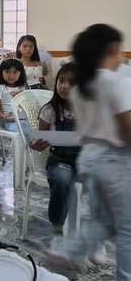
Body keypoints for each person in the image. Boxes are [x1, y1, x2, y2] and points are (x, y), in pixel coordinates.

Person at [49, 24, 131, 280]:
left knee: (103, 221)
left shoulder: (81, 88)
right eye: (120, 51)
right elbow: (127, 131)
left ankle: (67, 253)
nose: (123, 57)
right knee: (128, 227)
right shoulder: (117, 83)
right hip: (115, 159)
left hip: (90, 158)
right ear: (112, 49)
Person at [30, 63, 80, 234]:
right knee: (61, 178)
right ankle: (57, 224)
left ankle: (100, 232)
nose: (65, 86)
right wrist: (36, 144)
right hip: (60, 161)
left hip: (85, 161)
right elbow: (37, 140)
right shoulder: (50, 110)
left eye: (72, 83)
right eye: (61, 81)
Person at [0, 58, 30, 137]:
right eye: (7, 72)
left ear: (21, 73)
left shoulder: (23, 88)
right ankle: (22, 149)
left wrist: (22, 96)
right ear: (1, 72)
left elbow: (29, 105)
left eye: (15, 72)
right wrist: (3, 116)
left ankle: (28, 149)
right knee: (23, 133)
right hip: (11, 122)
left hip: (26, 120)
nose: (11, 75)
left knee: (35, 131)